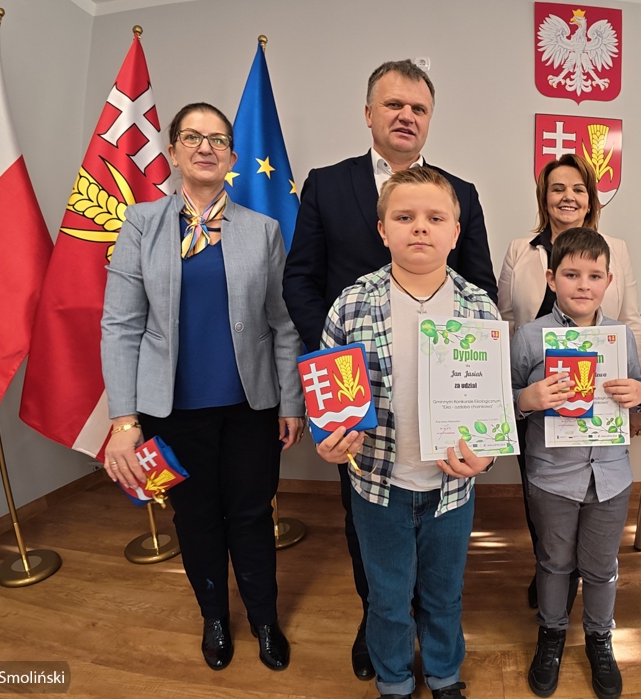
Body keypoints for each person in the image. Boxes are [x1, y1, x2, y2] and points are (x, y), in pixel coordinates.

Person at [282, 60, 498, 680]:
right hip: (364, 424)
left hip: (446, 453)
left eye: (418, 108)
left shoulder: (461, 194)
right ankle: (382, 633)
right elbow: (301, 279)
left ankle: (435, 655)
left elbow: (481, 294)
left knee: (441, 580)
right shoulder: (327, 185)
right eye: (394, 105)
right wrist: (337, 372)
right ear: (369, 113)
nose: (406, 116)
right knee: (375, 552)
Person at [101, 103, 306, 672]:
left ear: (232, 156)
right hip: (171, 410)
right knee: (194, 518)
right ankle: (214, 616)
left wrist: (291, 401)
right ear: (173, 153)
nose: (205, 147)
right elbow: (120, 325)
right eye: (192, 137)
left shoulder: (263, 230)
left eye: (217, 139)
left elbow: (283, 323)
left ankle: (264, 619)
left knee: (251, 514)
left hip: (251, 407)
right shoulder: (141, 223)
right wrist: (124, 420)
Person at [314, 167, 497, 699]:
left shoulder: (478, 307)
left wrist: (485, 457)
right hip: (378, 486)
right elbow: (326, 398)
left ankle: (443, 675)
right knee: (388, 597)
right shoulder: (352, 304)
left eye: (435, 218)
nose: (420, 227)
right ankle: (393, 680)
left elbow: (494, 401)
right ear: (382, 230)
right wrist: (328, 441)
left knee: (444, 594)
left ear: (456, 232)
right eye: (404, 217)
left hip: (452, 487)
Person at [498, 154, 641, 610]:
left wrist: (639, 397)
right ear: (544, 196)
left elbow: (630, 321)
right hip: (541, 409)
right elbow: (505, 319)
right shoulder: (521, 249)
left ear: (591, 198)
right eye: (558, 188)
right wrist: (523, 396)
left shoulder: (614, 248)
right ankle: (552, 576)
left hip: (602, 422)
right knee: (547, 510)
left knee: (599, 539)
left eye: (578, 188)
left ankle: (578, 582)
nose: (568, 196)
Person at [511, 228, 641, 699]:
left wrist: (640, 394)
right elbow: (503, 402)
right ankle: (551, 634)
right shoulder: (530, 337)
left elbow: (640, 395)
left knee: (602, 565)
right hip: (552, 476)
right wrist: (527, 398)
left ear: (609, 281)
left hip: (610, 476)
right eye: (572, 275)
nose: (583, 285)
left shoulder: (621, 338)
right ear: (552, 279)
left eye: (594, 276)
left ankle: (599, 637)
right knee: (553, 562)